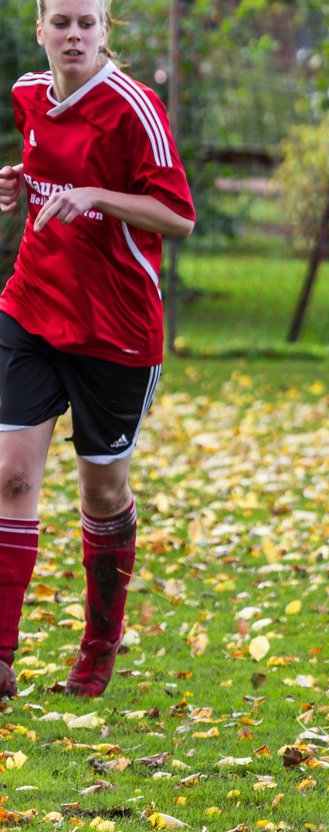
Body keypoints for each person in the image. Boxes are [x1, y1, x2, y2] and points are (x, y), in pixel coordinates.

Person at [0, 0, 195, 698]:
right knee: (13, 477)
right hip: (31, 309)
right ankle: (0, 659)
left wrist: (98, 196)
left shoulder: (134, 109)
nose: (74, 35)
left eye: (87, 23)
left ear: (105, 30)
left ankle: (99, 647)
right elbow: (42, 169)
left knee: (102, 493)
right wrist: (17, 186)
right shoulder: (29, 95)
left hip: (116, 333)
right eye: (62, 23)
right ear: (40, 29)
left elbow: (178, 216)